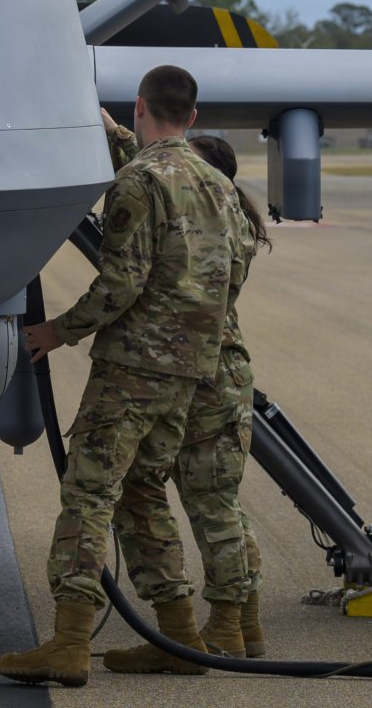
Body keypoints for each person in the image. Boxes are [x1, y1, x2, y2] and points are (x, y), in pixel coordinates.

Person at [0, 66, 250, 688]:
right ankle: (182, 637)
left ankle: (71, 641)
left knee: (89, 494)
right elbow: (234, 270)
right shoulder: (217, 182)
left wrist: (59, 330)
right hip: (192, 370)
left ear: (141, 105)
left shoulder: (137, 184)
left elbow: (121, 283)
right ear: (192, 117)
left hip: (133, 369)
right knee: (140, 494)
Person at [97, 129, 273, 669]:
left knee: (209, 506)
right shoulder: (229, 216)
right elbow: (154, 162)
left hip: (203, 375)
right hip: (224, 373)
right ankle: (245, 626)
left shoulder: (206, 219)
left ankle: (221, 634)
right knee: (222, 504)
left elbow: (160, 176)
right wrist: (114, 126)